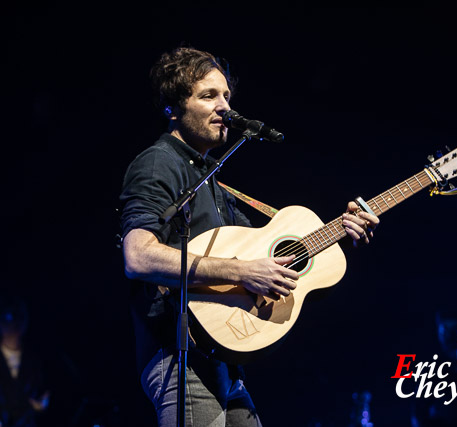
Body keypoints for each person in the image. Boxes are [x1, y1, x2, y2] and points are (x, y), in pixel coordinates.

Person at [119, 46, 379, 426]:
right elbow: (138, 256)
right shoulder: (160, 162)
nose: (224, 106)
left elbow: (272, 258)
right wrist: (242, 272)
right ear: (172, 107)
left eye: (226, 95)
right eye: (208, 96)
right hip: (180, 354)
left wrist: (341, 228)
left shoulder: (212, 182)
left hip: (223, 358)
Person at [0, 296, 50, 427]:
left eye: (17, 319)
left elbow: (41, 393)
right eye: (7, 319)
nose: (12, 325)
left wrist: (40, 404)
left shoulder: (34, 359)